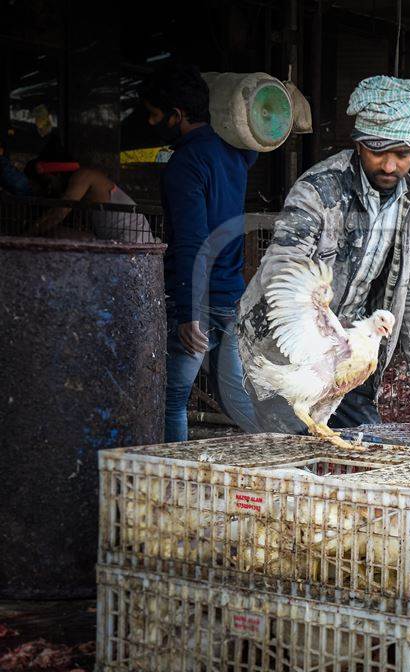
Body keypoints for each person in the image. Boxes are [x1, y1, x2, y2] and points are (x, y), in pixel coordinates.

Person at [237, 75, 410, 432]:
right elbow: (282, 267)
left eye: (402, 154)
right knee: (288, 452)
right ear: (358, 144)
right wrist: (321, 330)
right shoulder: (320, 189)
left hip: (354, 352)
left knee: (365, 443)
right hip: (292, 349)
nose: (389, 166)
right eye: (378, 151)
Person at [141, 61, 259, 441]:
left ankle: (172, 487)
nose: (150, 122)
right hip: (230, 295)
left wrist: (189, 311)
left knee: (172, 400)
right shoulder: (234, 154)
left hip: (200, 300)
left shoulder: (184, 164)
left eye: (154, 115)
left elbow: (193, 240)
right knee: (236, 398)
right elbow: (255, 139)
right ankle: (280, 455)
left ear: (176, 116)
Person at [28, 161, 156, 243]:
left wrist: (25, 237)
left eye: (48, 182)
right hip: (122, 242)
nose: (49, 188)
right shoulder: (83, 190)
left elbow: (58, 213)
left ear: (57, 174)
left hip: (131, 242)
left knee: (55, 233)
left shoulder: (84, 175)